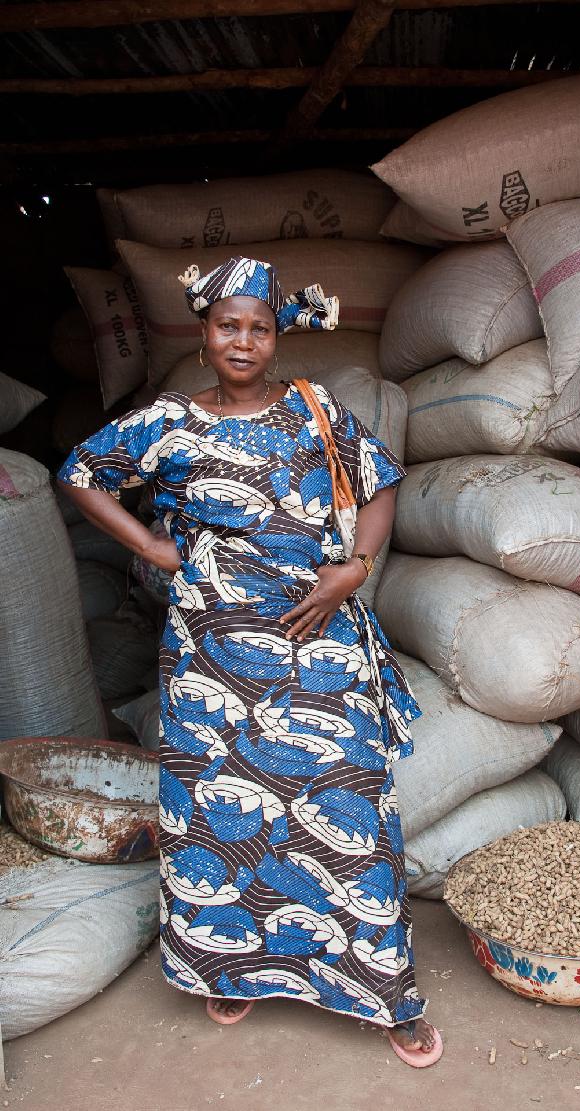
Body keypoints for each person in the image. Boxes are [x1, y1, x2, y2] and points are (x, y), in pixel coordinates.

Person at [58, 256, 443, 1068]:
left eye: (258, 327)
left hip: (318, 638)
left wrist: (356, 569)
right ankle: (226, 961)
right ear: (204, 334)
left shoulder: (316, 410)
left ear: (277, 337)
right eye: (228, 325)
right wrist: (154, 549)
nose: (243, 340)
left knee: (352, 801)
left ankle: (387, 993)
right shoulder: (167, 423)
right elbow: (82, 474)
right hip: (211, 652)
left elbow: (379, 484)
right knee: (215, 820)